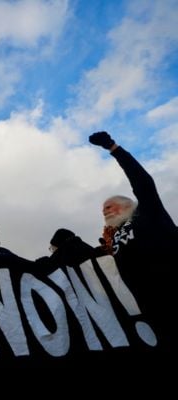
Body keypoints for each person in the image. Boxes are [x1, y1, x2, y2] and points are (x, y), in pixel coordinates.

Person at [89, 130, 177, 351]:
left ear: (128, 205)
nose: (105, 212)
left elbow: (143, 182)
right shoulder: (112, 239)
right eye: (103, 210)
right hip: (150, 309)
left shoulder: (148, 212)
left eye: (109, 206)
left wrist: (114, 149)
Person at [36, 228, 100, 268]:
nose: (53, 252)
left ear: (59, 245)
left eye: (53, 248)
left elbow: (49, 266)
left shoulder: (66, 254)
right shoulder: (87, 249)